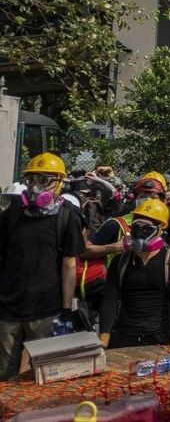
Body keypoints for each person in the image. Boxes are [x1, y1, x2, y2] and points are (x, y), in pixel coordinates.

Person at [0, 153, 85, 380]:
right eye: (31, 180)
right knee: (4, 371)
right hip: (9, 306)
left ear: (59, 183)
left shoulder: (67, 217)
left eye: (45, 180)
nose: (36, 187)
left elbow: (69, 264)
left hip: (45, 309)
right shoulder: (12, 214)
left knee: (41, 373)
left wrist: (66, 309)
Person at [99, 199, 170, 347]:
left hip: (159, 337)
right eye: (136, 228)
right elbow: (109, 300)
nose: (140, 233)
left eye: (146, 229)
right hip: (124, 335)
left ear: (159, 230)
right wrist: (104, 337)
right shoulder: (121, 261)